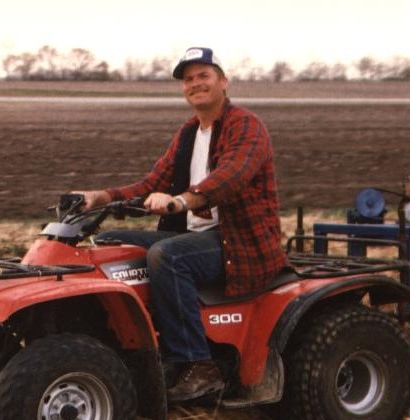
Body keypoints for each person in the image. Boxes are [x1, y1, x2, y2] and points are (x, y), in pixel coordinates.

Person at [76, 47, 289, 402]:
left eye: (203, 75)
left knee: (168, 255)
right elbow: (151, 183)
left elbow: (230, 177)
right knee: (109, 243)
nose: (195, 84)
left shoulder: (246, 125)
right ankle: (124, 345)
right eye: (188, 79)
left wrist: (181, 200)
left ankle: (197, 364)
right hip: (195, 236)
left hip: (240, 242)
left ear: (223, 81)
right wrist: (101, 197)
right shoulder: (189, 133)